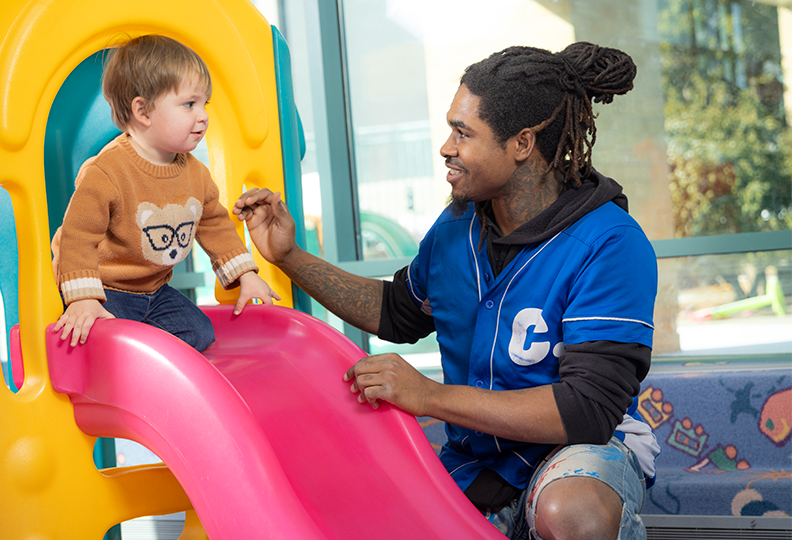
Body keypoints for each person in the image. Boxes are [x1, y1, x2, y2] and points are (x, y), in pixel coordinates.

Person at [234, 42, 659, 540]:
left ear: (522, 143)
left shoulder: (610, 243)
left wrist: (429, 396)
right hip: (480, 465)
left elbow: (587, 411)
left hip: (580, 456)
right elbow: (397, 311)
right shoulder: (456, 226)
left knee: (570, 511)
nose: (446, 148)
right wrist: (287, 256)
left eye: (463, 133)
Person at [52, 34, 277, 351]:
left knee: (199, 333)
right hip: (105, 288)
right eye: (188, 104)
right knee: (104, 343)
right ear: (142, 112)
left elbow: (214, 224)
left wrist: (245, 275)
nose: (203, 116)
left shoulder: (195, 174)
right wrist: (84, 297)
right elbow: (77, 235)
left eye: (203, 104)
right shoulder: (107, 171)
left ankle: (145, 359)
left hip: (155, 291)